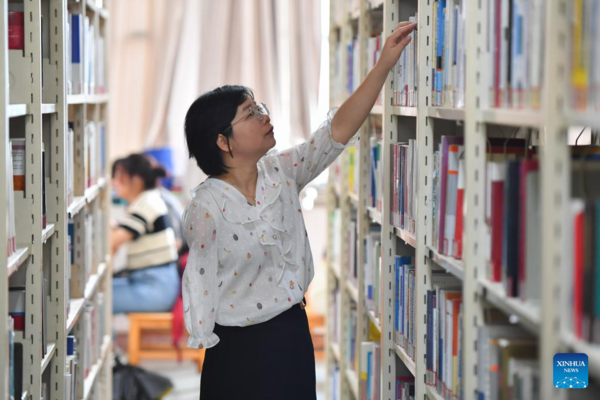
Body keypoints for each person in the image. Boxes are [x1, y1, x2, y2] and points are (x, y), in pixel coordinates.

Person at [182, 21, 417, 399]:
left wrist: (383, 66)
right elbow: (200, 282)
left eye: (260, 106)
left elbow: (336, 132)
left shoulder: (282, 172)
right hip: (233, 351)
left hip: (289, 336)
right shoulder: (204, 208)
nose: (263, 115)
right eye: (250, 113)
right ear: (223, 141)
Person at [110, 153, 180, 314]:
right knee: (103, 292)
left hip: (156, 288)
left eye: (120, 177)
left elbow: (113, 240)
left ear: (136, 180)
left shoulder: (146, 204)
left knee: (100, 299)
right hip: (152, 283)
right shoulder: (147, 201)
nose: (114, 182)